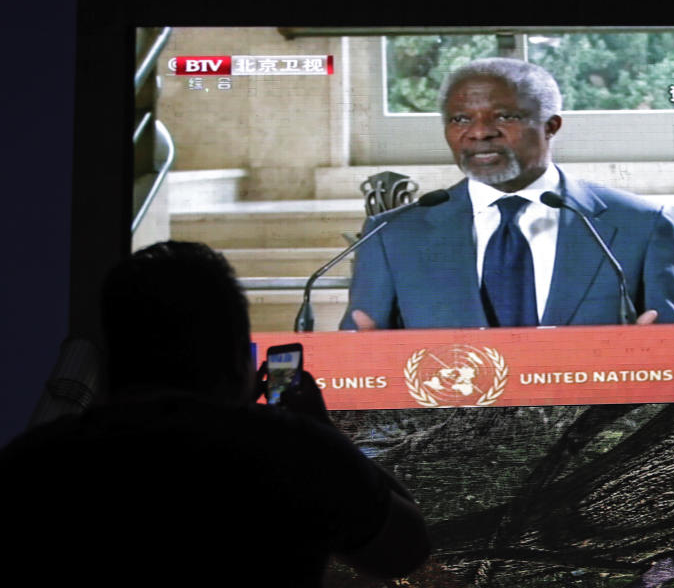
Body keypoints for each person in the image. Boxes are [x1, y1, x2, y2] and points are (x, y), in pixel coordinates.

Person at [0, 241, 429, 587]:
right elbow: (404, 550)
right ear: (238, 362)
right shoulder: (293, 450)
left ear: (113, 360)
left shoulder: (34, 460)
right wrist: (321, 428)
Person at [339, 57, 674, 364]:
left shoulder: (640, 225)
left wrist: (663, 355)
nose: (479, 132)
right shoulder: (392, 235)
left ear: (551, 126)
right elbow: (361, 356)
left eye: (505, 116)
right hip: (449, 443)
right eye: (460, 119)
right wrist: (365, 359)